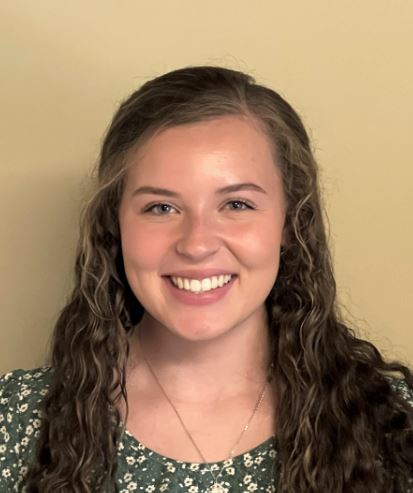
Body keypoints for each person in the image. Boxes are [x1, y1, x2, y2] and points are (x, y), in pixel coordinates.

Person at [0, 66, 412, 493]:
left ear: (291, 222)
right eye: (161, 208)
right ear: (115, 223)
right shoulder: (14, 421)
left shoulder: (392, 425)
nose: (196, 244)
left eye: (236, 204)